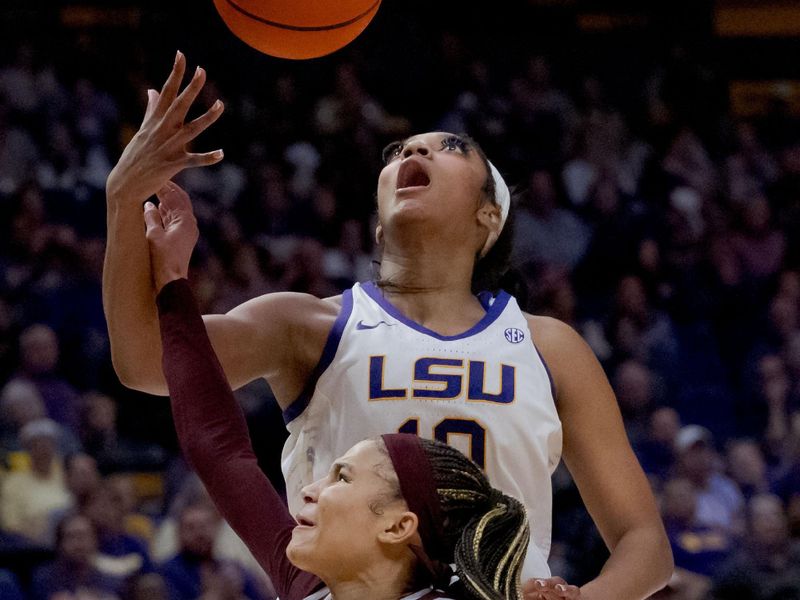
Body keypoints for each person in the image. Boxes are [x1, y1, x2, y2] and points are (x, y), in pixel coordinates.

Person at [103, 52, 672, 597]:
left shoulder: (550, 347)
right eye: (396, 151)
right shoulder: (310, 324)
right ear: (379, 223)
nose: (411, 150)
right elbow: (147, 362)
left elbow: (644, 543)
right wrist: (123, 200)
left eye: (448, 147)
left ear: (488, 216)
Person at [151, 249, 531, 600]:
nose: (309, 490)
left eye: (342, 477)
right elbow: (218, 450)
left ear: (398, 527)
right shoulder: (309, 584)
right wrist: (171, 281)